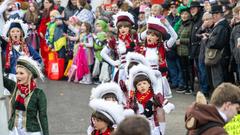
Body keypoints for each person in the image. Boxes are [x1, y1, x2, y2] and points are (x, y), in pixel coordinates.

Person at [3, 56, 48, 135]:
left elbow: (43, 117)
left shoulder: (39, 93)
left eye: (21, 73)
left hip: (31, 131)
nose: (17, 76)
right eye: (16, 73)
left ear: (29, 75)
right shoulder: (14, 87)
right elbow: (2, 79)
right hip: (14, 131)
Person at [128, 64, 175, 135]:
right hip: (140, 125)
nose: (142, 86)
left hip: (154, 125)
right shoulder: (134, 98)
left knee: (160, 111)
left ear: (149, 84)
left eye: (144, 83)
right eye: (139, 84)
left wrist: (165, 107)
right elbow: (129, 110)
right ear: (136, 87)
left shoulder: (155, 96)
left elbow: (167, 105)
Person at [205, 4, 231, 89]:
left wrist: (207, 39)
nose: (213, 16)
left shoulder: (222, 26)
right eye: (213, 14)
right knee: (218, 80)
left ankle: (220, 100)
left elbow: (217, 43)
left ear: (220, 14)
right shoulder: (221, 25)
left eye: (215, 14)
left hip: (220, 56)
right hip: (220, 56)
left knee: (219, 80)